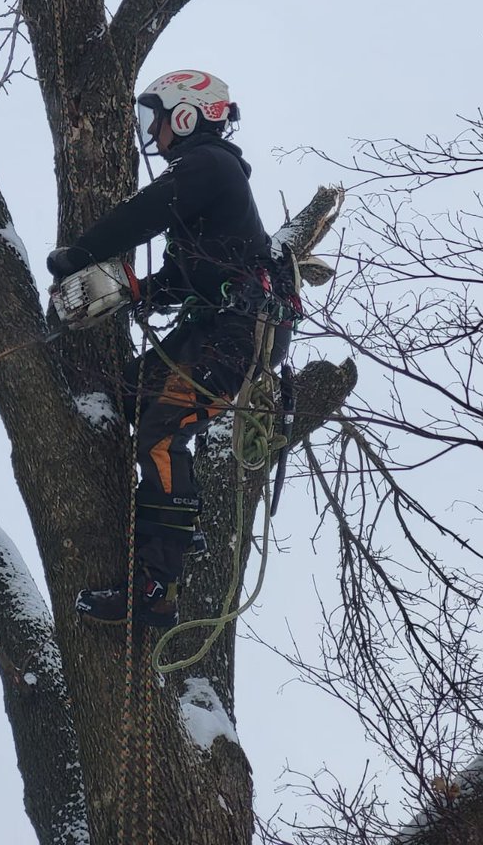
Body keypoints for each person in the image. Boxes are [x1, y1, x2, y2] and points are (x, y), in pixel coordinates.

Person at [47, 70, 296, 629]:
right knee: (126, 396)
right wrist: (141, 291)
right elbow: (189, 276)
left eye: (156, 118)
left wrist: (81, 253)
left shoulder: (209, 165)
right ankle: (183, 522)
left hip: (239, 335)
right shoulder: (207, 184)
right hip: (214, 327)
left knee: (162, 433)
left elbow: (146, 212)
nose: (152, 131)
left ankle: (156, 590)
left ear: (185, 115)